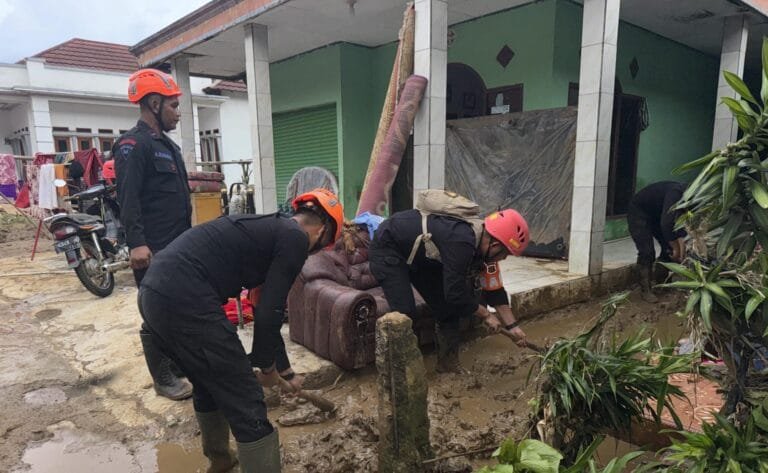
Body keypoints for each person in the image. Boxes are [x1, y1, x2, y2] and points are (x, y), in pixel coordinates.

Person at [138, 189, 344, 473]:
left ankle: (221, 460)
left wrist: (282, 371)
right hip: (185, 299)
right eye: (320, 248)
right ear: (321, 231)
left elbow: (262, 306)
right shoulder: (296, 238)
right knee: (247, 399)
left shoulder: (269, 231)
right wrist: (266, 366)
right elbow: (269, 312)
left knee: (208, 381)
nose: (313, 253)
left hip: (154, 297)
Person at [369, 207, 530, 373]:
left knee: (447, 310)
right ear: (495, 245)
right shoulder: (461, 242)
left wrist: (513, 327)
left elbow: (495, 290)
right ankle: (400, 374)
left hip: (421, 257)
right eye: (505, 254)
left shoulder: (485, 251)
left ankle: (447, 365)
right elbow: (455, 293)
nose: (503, 259)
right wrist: (486, 315)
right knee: (404, 314)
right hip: (389, 248)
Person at [113, 68, 193, 400]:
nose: (178, 112)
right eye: (174, 106)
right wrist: (137, 243)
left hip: (176, 245)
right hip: (153, 247)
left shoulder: (167, 147)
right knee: (155, 309)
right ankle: (162, 379)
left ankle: (175, 365)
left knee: (176, 305)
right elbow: (128, 196)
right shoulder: (134, 145)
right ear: (155, 103)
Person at [627, 181, 687, 303]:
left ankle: (662, 283)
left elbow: (680, 228)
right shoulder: (677, 193)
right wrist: (676, 248)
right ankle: (645, 289)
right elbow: (666, 224)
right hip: (639, 213)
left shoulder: (690, 199)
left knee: (668, 249)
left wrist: (680, 251)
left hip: (657, 215)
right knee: (647, 251)